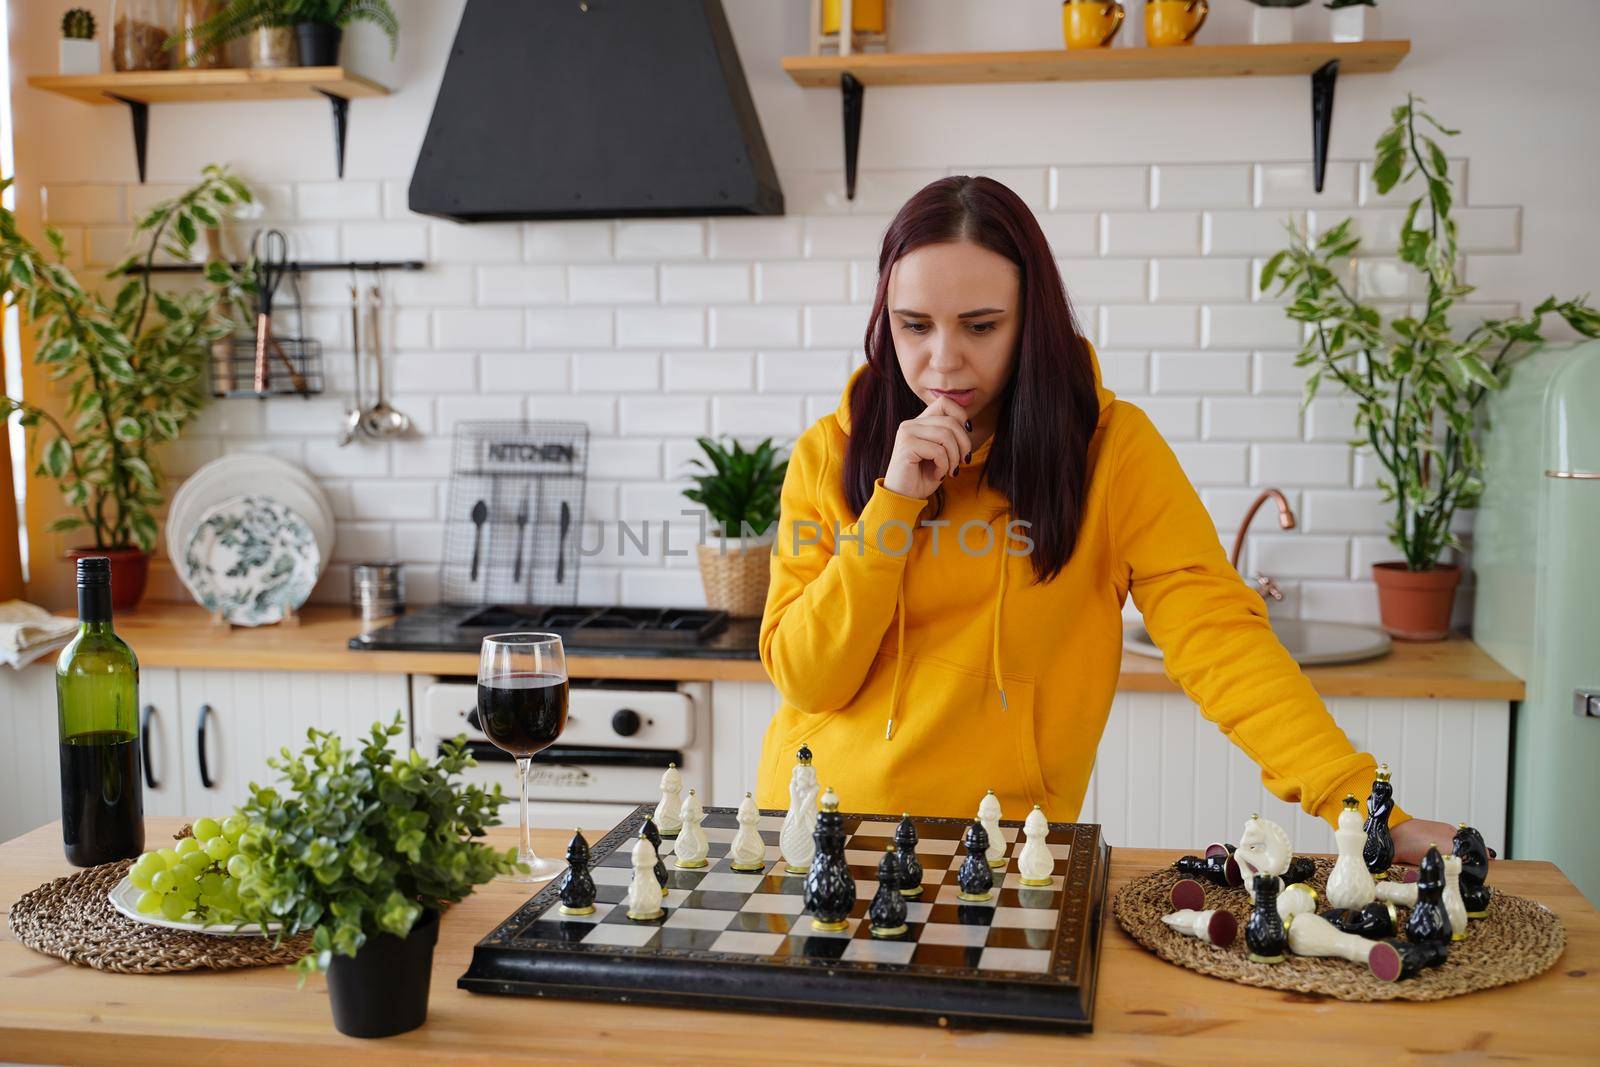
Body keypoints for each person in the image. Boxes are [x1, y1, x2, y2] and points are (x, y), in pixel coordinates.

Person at [754, 175, 1457, 862]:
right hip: (814, 839)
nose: (943, 360)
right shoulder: (831, 451)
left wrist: (1364, 808)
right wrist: (893, 506)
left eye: (981, 326)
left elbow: (1220, 639)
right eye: (914, 325)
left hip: (1004, 859)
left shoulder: (1112, 453)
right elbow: (807, 679)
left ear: (1033, 323)